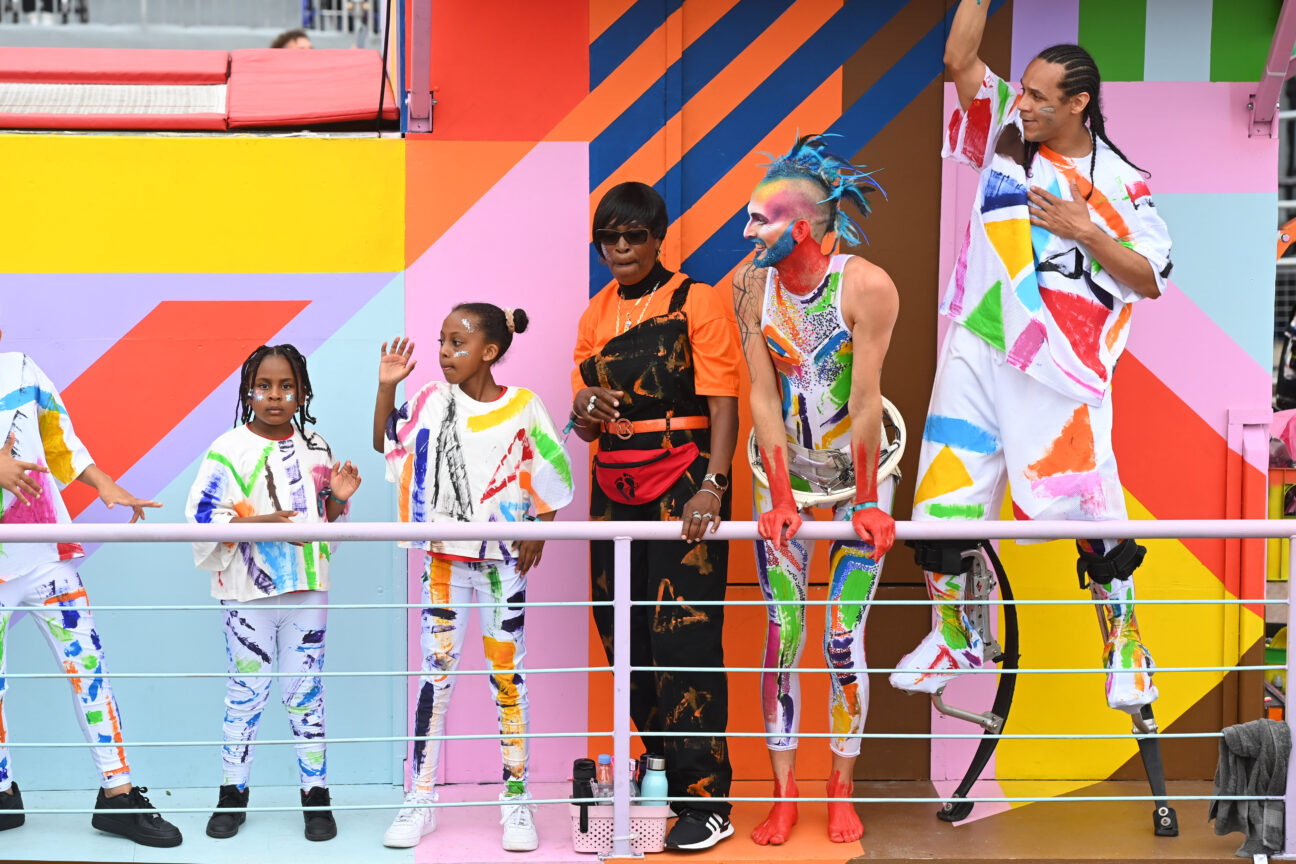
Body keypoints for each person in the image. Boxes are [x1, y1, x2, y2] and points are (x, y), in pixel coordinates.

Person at [891, 1, 1173, 717]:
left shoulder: (1122, 182)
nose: (1025, 104)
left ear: (1079, 103)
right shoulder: (1007, 138)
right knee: (942, 504)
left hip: (1059, 364)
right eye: (1024, 92)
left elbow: (1150, 276)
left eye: (1042, 98)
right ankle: (957, 636)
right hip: (981, 339)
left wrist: (1086, 230)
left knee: (1092, 516)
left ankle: (1128, 649)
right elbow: (958, 61)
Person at [733, 135, 898, 846]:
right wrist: (779, 496)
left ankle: (840, 789)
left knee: (839, 635)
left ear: (800, 227)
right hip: (783, 476)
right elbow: (763, 398)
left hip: (861, 472)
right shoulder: (748, 286)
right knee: (784, 633)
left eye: (759, 220)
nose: (747, 233)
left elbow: (865, 402)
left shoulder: (866, 286)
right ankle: (783, 795)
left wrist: (863, 500)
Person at [570, 181, 739, 851]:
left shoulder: (697, 301)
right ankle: (660, 773)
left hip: (686, 485)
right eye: (608, 237)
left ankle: (708, 801)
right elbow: (583, 423)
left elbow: (723, 402)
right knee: (624, 635)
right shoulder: (593, 313)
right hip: (613, 489)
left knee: (687, 637)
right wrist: (585, 410)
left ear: (657, 237)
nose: (620, 248)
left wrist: (715, 487)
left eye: (633, 236)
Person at [374, 303, 573, 853]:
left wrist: (542, 527)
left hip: (502, 566)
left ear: (490, 351)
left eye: (457, 343)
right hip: (442, 560)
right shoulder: (429, 402)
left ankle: (516, 801)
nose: (443, 352)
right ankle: (420, 798)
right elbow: (385, 443)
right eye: (442, 341)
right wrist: (387, 388)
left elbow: (552, 469)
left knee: (510, 680)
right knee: (433, 680)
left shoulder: (526, 406)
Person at [0, 344, 182, 848]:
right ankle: (1, 794)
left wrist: (105, 485)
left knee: (89, 671)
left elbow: (59, 438)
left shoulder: (19, 369)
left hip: (44, 554)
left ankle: (118, 797)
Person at [186, 344, 360, 842]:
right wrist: (258, 523)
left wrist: (338, 501)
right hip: (246, 595)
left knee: (305, 695)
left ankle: (316, 799)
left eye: (286, 386)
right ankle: (232, 795)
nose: (276, 396)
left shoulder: (318, 448)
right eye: (264, 386)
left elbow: (322, 523)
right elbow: (200, 520)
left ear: (302, 391)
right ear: (248, 391)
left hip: (307, 590)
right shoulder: (227, 449)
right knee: (245, 694)